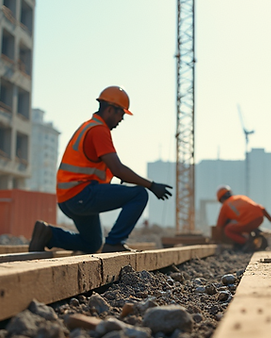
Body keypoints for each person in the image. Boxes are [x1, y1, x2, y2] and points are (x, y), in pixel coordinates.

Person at [28, 86, 172, 254]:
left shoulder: (89, 126)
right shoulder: (99, 130)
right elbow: (117, 169)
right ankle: (114, 243)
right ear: (110, 109)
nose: (122, 119)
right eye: (121, 114)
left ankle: (48, 234)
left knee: (92, 243)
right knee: (139, 194)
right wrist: (152, 185)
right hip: (80, 194)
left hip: (68, 197)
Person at [215, 185, 271, 249]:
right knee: (245, 224)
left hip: (246, 223)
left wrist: (218, 240)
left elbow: (219, 227)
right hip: (259, 218)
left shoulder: (225, 206)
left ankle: (247, 242)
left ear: (221, 199)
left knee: (228, 229)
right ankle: (257, 235)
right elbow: (262, 209)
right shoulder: (241, 197)